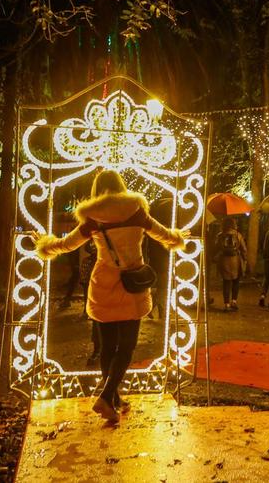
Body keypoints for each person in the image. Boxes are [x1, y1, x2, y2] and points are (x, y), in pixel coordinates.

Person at [34, 170, 189, 422]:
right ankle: (107, 397)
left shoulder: (92, 218)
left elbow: (66, 245)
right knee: (126, 346)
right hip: (132, 285)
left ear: (97, 190)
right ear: (121, 186)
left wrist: (45, 244)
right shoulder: (137, 211)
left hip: (103, 284)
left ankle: (112, 398)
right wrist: (179, 238)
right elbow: (163, 235)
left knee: (107, 347)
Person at [214, 217, 247, 312]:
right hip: (236, 261)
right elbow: (244, 249)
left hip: (224, 261)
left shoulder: (220, 235)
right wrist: (245, 259)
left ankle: (226, 304)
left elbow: (216, 247)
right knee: (236, 281)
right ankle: (234, 301)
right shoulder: (238, 235)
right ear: (234, 224)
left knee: (226, 282)